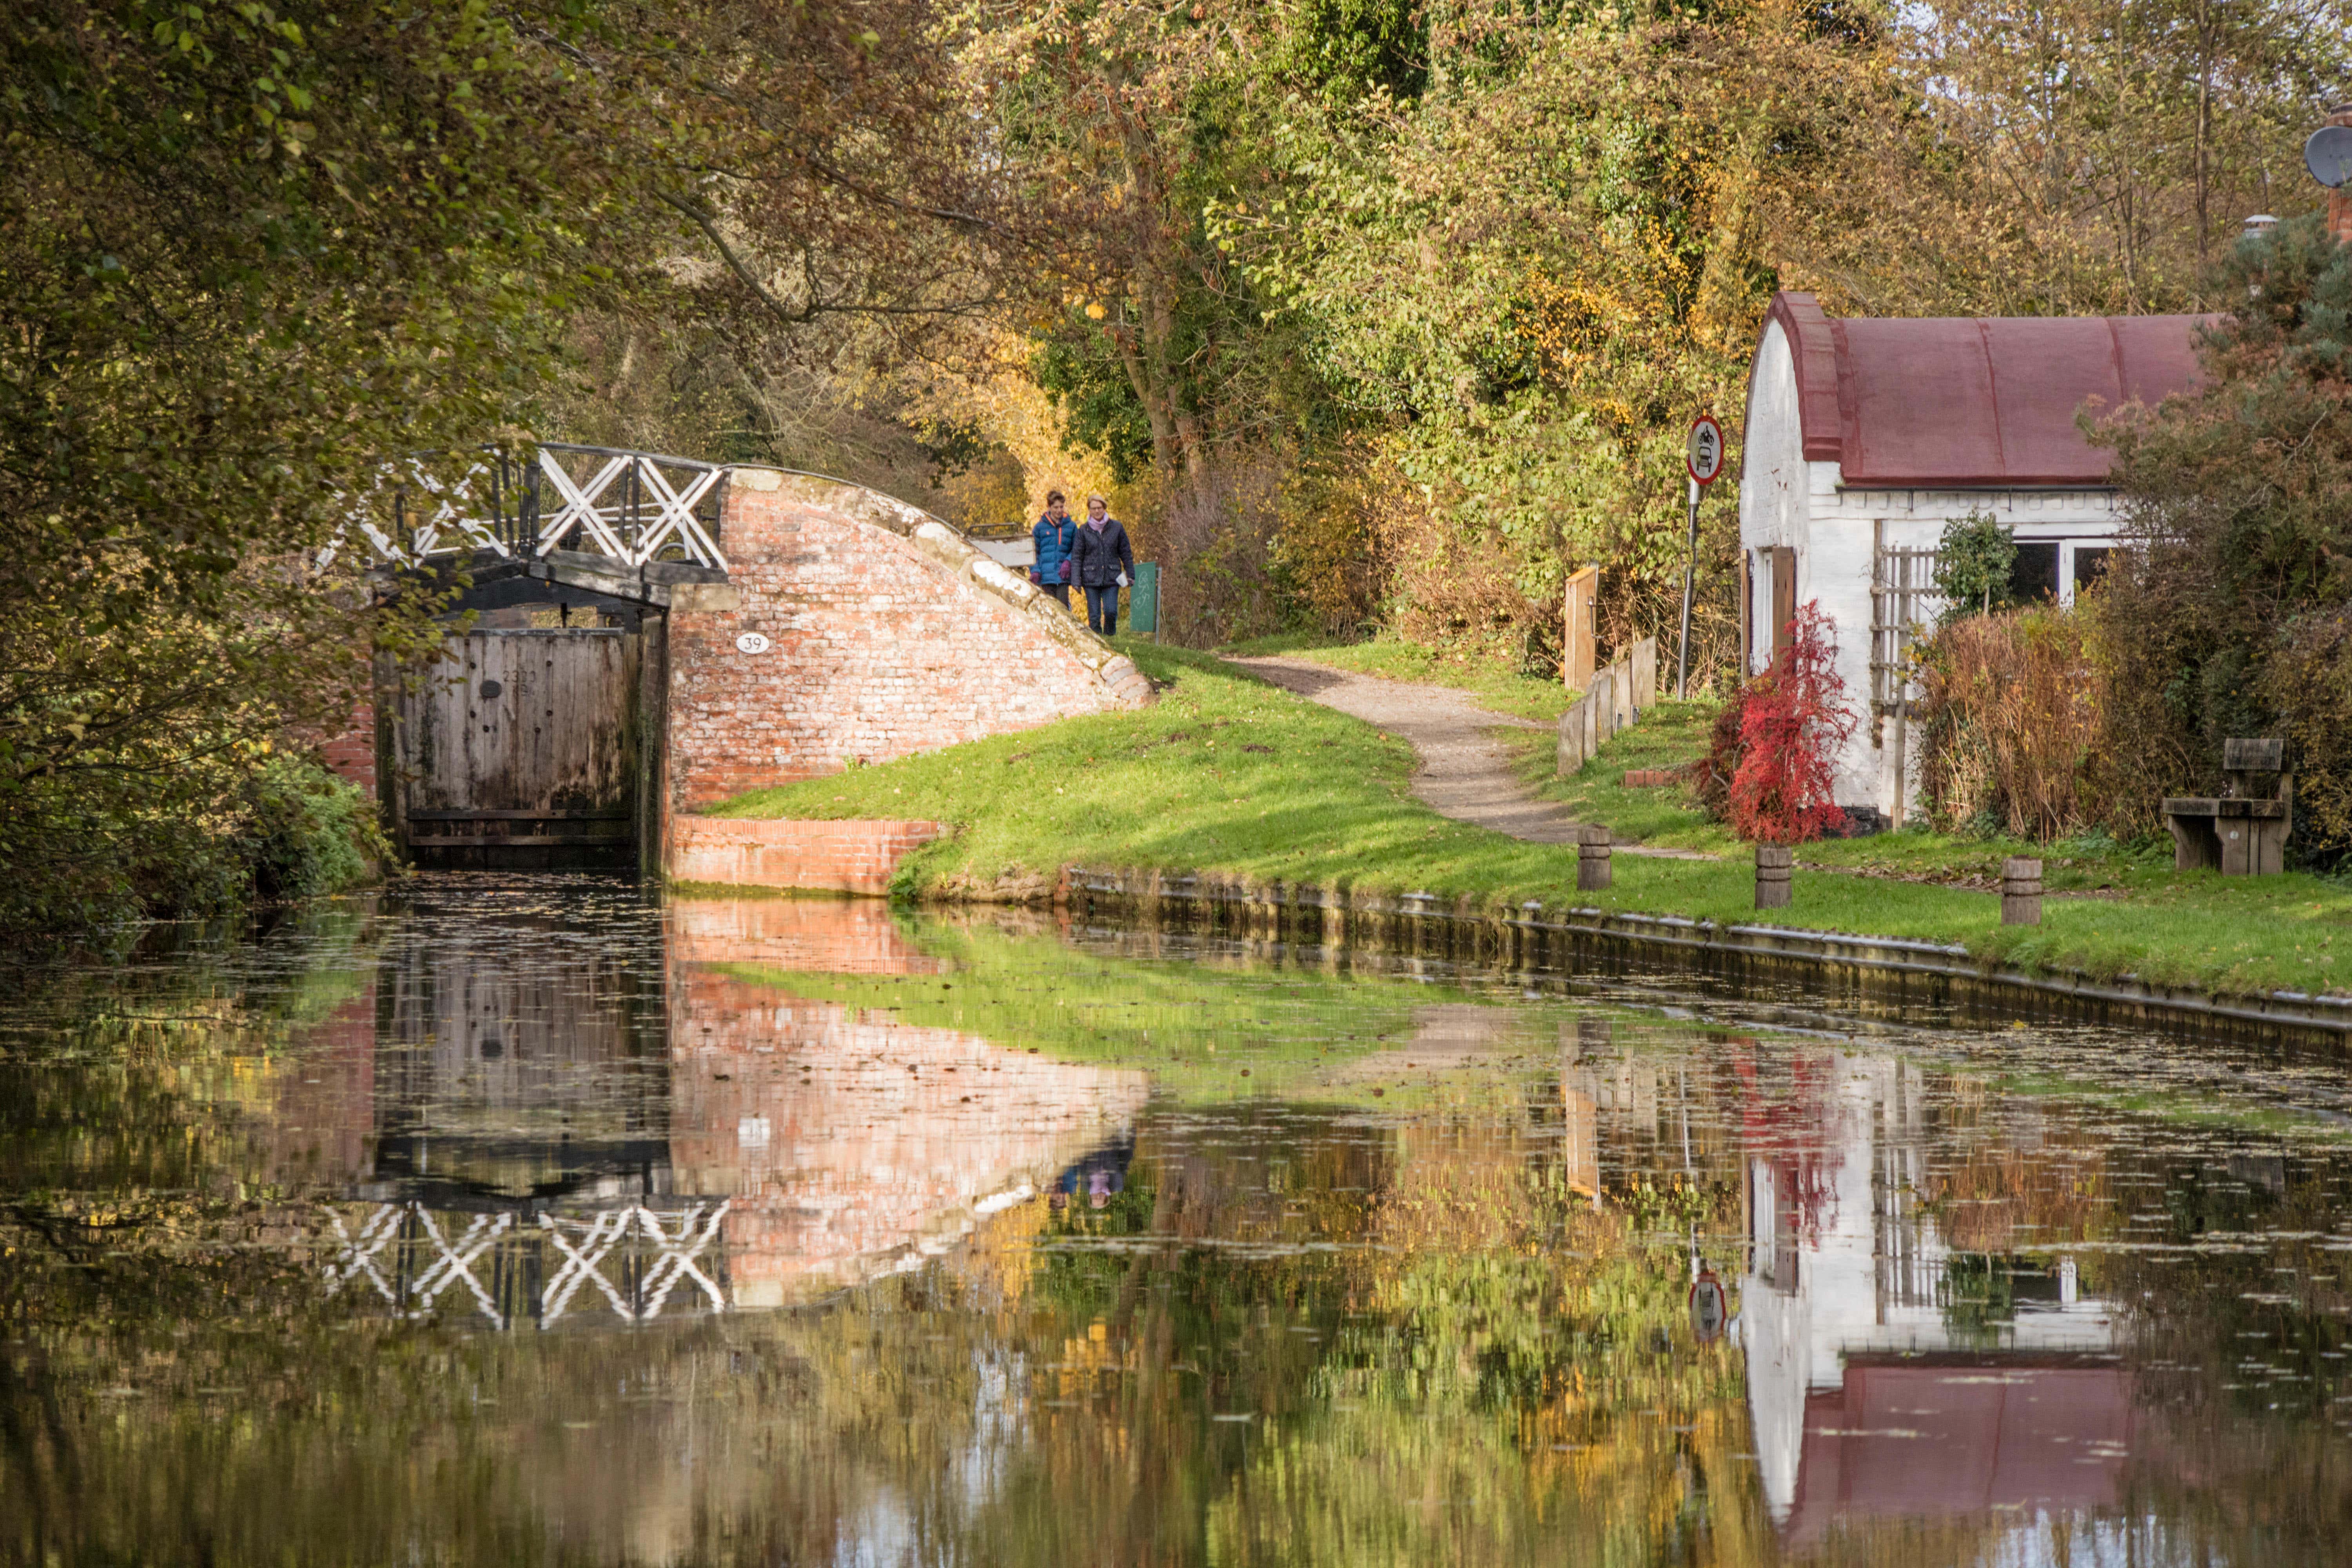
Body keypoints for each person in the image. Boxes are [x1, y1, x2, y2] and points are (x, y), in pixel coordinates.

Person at [1070, 494, 1134, 636]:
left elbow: (1126, 552)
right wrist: (1076, 580)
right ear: (1089, 510)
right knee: (1094, 616)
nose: (1097, 511)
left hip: (1112, 577)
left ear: (1104, 508)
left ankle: (1110, 639)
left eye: (1100, 508)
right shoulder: (1083, 531)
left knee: (1111, 612)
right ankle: (1097, 643)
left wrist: (1131, 574)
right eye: (1094, 509)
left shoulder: (1117, 528)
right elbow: (1077, 557)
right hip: (1090, 579)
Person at [1029, 490, 1075, 607]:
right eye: (1056, 507)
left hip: (1063, 576)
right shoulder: (1039, 528)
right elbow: (1033, 551)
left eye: (1061, 507)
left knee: (1063, 607)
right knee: (1050, 608)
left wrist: (1068, 561)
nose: (1059, 510)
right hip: (1046, 577)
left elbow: (1077, 548)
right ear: (1049, 507)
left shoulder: (1071, 526)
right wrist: (1035, 570)